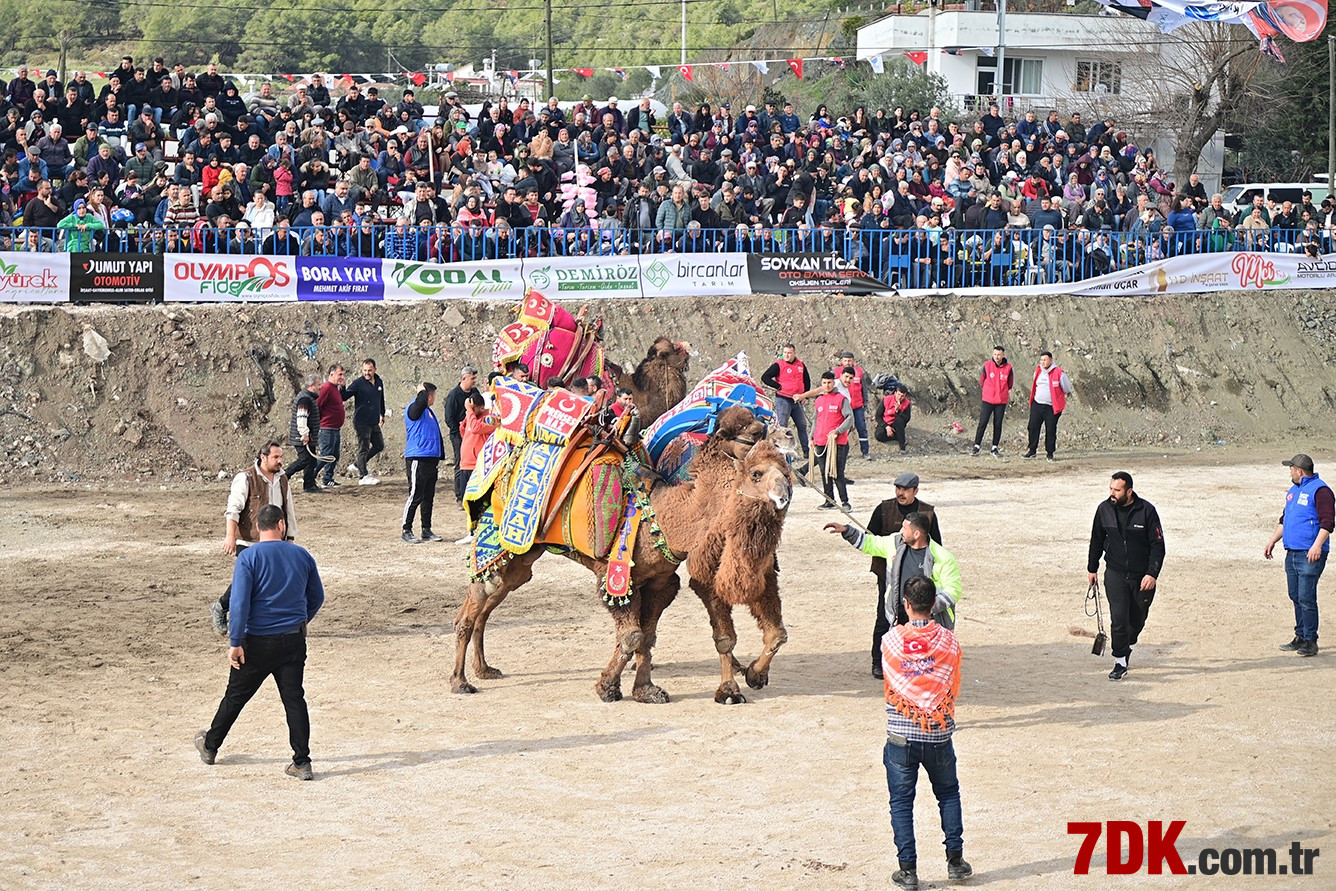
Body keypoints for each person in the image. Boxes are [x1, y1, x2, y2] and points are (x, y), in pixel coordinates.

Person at [195, 504, 325, 781]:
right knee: (294, 700)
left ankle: (210, 746)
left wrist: (236, 640)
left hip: (255, 642)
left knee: (235, 697)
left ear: (257, 528)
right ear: (280, 525)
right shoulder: (302, 555)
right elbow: (317, 597)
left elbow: (239, 602)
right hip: (292, 641)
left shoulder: (249, 557)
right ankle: (302, 761)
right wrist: (301, 620)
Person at [878, 574, 972, 889]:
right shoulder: (948, 641)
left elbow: (892, 679)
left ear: (906, 605)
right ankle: (955, 862)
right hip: (938, 734)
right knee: (948, 794)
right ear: (933, 604)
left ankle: (908, 871)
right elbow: (950, 678)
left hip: (901, 736)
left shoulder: (890, 641)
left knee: (902, 802)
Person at [209, 440, 299, 635]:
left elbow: (288, 509)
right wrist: (230, 536)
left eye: (281, 457)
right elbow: (233, 508)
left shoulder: (282, 479)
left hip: (275, 540)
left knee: (271, 579)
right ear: (263, 457)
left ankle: (263, 618)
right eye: (276, 457)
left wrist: (289, 537)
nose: (280, 461)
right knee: (249, 578)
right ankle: (222, 607)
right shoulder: (246, 478)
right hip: (248, 540)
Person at [1087, 472, 1165, 680]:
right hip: (1115, 573)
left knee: (1137, 620)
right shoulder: (1104, 510)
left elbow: (1158, 546)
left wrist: (1152, 573)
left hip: (1142, 577)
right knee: (1119, 619)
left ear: (1129, 491)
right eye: (1111, 489)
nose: (1112, 493)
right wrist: (1092, 568)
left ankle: (1127, 643)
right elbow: (1096, 540)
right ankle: (1120, 660)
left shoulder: (1146, 511)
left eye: (1117, 490)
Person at [867, 473, 943, 679]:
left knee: (916, 619)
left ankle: (913, 661)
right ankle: (879, 662)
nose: (900, 493)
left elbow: (937, 546)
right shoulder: (883, 509)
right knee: (885, 617)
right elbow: (869, 538)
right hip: (889, 574)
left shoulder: (927, 512)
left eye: (905, 489)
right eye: (898, 488)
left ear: (915, 491)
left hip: (918, 577)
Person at [1264, 454, 1332, 657]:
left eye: (1291, 468)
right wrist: (1272, 541)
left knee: (1306, 597)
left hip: (1310, 554)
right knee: (1295, 595)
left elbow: (1327, 522)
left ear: (1299, 471)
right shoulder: (1293, 492)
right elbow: (1284, 520)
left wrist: (1317, 546)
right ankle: (1300, 635)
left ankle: (1311, 640)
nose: (1290, 472)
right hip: (1292, 553)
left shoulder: (1321, 490)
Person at [403, 381, 445, 544]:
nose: (434, 398)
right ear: (428, 395)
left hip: (430, 459)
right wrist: (421, 392)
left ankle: (426, 529)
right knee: (415, 495)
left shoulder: (428, 412)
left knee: (428, 496)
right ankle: (406, 529)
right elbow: (418, 406)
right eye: (432, 395)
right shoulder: (414, 408)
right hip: (417, 458)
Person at [811, 371, 853, 512]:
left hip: (837, 443)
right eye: (824, 383)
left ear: (833, 383)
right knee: (824, 472)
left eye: (829, 382)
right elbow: (815, 421)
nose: (827, 385)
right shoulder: (819, 401)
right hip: (821, 442)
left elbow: (849, 418)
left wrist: (838, 431)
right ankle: (829, 500)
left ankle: (845, 502)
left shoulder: (841, 399)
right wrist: (812, 437)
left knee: (837, 473)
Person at [761, 343, 811, 461]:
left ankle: (806, 451)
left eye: (789, 353)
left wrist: (805, 396)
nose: (786, 355)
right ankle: (782, 452)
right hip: (783, 399)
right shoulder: (779, 364)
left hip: (797, 400)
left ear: (794, 353)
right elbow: (765, 377)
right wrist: (777, 386)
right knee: (782, 426)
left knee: (802, 425)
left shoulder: (801, 365)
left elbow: (807, 381)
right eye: (785, 353)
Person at [342, 358, 387, 485]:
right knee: (364, 447)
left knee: (379, 445)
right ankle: (363, 476)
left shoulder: (379, 381)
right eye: (365, 370)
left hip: (374, 420)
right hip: (361, 421)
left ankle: (357, 465)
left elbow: (381, 399)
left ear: (375, 370)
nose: (367, 373)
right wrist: (342, 386)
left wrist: (382, 414)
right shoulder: (358, 383)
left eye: (370, 370)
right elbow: (344, 397)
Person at [1022, 351, 1073, 462]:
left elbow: (1067, 388)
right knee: (1032, 427)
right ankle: (1032, 451)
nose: (1042, 362)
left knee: (1050, 429)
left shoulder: (1059, 373)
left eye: (1045, 360)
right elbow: (1035, 384)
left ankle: (1050, 453)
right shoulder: (1038, 371)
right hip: (1037, 404)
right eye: (1041, 360)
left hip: (1051, 407)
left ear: (1050, 360)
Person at [442, 365, 479, 506]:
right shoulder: (453, 395)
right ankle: (459, 496)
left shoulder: (475, 392)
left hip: (473, 434)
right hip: (459, 436)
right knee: (460, 464)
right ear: (464, 378)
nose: (474, 381)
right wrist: (460, 433)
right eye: (472, 378)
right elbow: (449, 418)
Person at [283, 374, 323, 494]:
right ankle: (284, 476)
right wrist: (304, 434)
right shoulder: (305, 399)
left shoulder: (308, 398)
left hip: (307, 437)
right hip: (301, 437)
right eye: (318, 385)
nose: (320, 387)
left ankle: (309, 485)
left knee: (311, 461)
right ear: (312, 386)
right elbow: (301, 418)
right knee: (305, 460)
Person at [971, 345, 1012, 457]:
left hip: (1001, 401)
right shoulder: (987, 365)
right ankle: (977, 446)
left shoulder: (1008, 368)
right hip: (988, 400)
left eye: (999, 355)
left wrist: (1001, 392)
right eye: (995, 354)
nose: (996, 357)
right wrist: (988, 391)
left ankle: (994, 447)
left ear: (1003, 355)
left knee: (997, 424)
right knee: (982, 423)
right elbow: (982, 380)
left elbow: (1010, 384)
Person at [835, 350, 873, 459]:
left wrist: (865, 404)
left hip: (857, 406)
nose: (847, 363)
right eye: (845, 360)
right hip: (843, 407)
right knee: (843, 429)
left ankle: (865, 452)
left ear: (853, 361)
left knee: (861, 428)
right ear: (842, 361)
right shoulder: (836, 372)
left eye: (849, 360)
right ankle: (842, 452)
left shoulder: (860, 372)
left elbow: (864, 389)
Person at [315, 364, 346, 489]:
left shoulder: (335, 388)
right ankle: (310, 476)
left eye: (342, 374)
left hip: (335, 428)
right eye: (340, 374)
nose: (342, 377)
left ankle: (328, 478)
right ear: (331, 374)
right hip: (326, 428)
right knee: (326, 455)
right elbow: (317, 405)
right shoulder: (327, 388)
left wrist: (343, 387)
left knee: (334, 455)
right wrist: (320, 422)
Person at [877, 384, 912, 452]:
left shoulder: (907, 403)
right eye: (898, 394)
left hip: (897, 424)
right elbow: (878, 416)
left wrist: (898, 411)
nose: (899, 397)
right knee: (878, 435)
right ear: (895, 393)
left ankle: (902, 446)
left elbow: (907, 418)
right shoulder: (886, 399)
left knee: (899, 420)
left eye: (902, 396)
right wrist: (886, 426)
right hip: (886, 422)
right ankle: (896, 436)